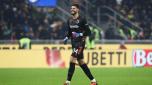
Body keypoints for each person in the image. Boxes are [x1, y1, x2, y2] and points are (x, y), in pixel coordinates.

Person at [63, 4, 98, 85]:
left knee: (72, 59)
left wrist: (80, 34)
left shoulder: (82, 19)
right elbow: (69, 32)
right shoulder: (69, 20)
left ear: (77, 10)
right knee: (81, 62)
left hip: (80, 43)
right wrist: (66, 37)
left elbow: (88, 32)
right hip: (73, 43)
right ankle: (93, 81)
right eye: (71, 8)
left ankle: (68, 82)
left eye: (74, 8)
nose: (72, 9)